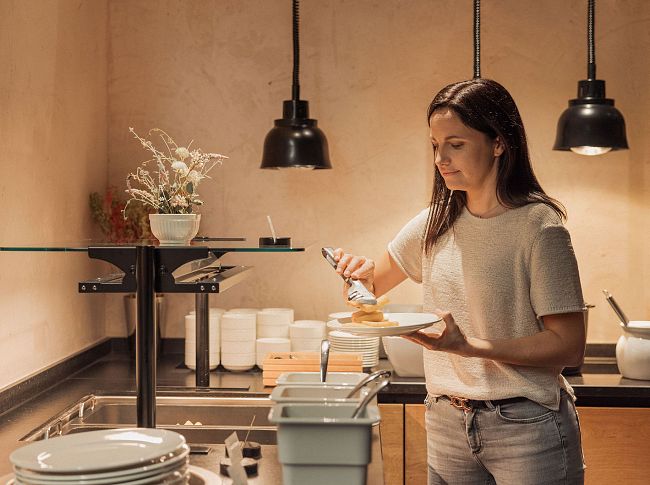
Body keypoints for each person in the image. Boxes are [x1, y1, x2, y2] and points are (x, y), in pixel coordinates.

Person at [334, 78, 586, 485]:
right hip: (447, 420)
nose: (440, 158)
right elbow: (368, 292)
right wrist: (355, 279)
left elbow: (569, 347)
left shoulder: (540, 228)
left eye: (456, 144)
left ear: (499, 143)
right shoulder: (435, 220)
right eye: (435, 145)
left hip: (526, 425)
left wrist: (467, 347)